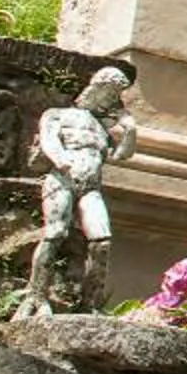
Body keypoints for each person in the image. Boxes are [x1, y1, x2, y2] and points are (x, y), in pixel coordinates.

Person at [18, 67, 135, 318]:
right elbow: (49, 139)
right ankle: (36, 296)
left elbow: (121, 155)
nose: (111, 99)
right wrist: (60, 159)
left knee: (101, 242)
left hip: (90, 188)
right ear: (96, 89)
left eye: (115, 94)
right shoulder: (58, 114)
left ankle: (89, 302)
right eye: (109, 92)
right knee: (55, 232)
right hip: (62, 179)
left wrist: (130, 130)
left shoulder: (102, 129)